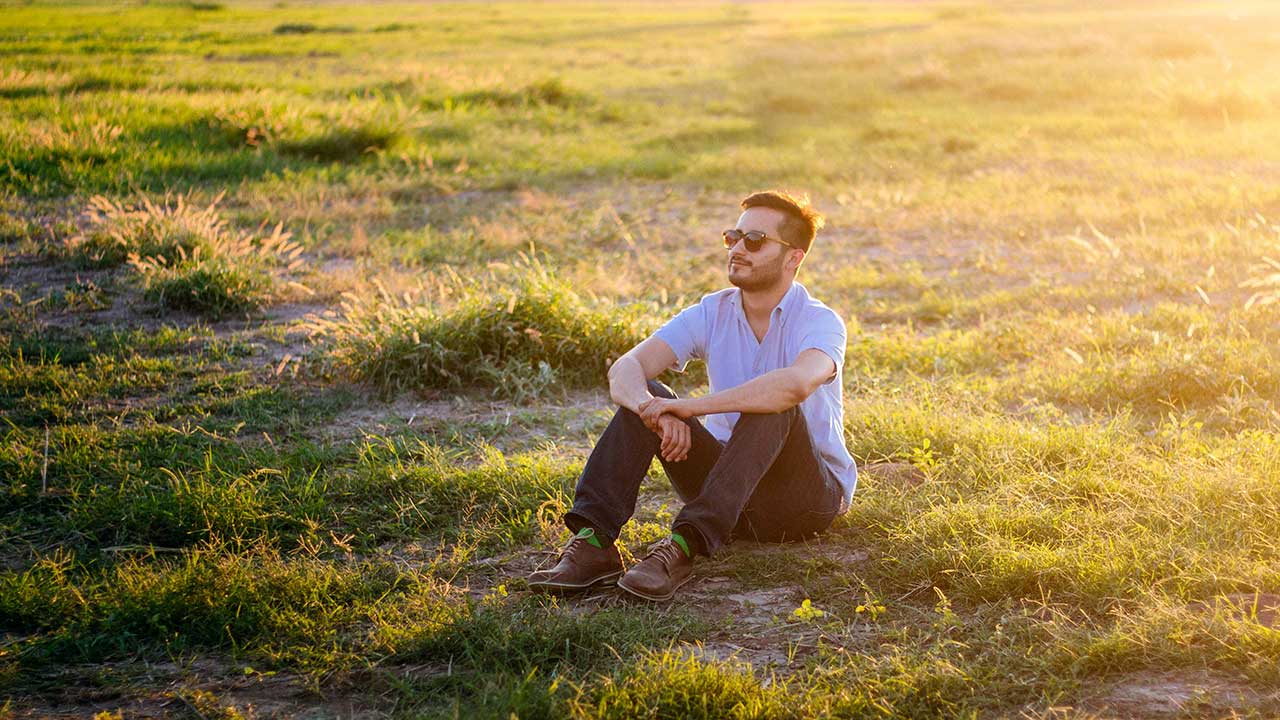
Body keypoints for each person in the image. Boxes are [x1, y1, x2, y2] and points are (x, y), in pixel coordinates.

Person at [527, 190, 857, 601]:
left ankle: (684, 546)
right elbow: (625, 370)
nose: (738, 248)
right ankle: (594, 544)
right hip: (725, 486)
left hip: (801, 502)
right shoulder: (711, 311)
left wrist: (688, 408)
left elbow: (793, 385)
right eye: (732, 237)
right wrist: (656, 411)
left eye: (754, 240)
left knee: (773, 405)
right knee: (646, 393)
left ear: (794, 258)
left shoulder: (820, 321)